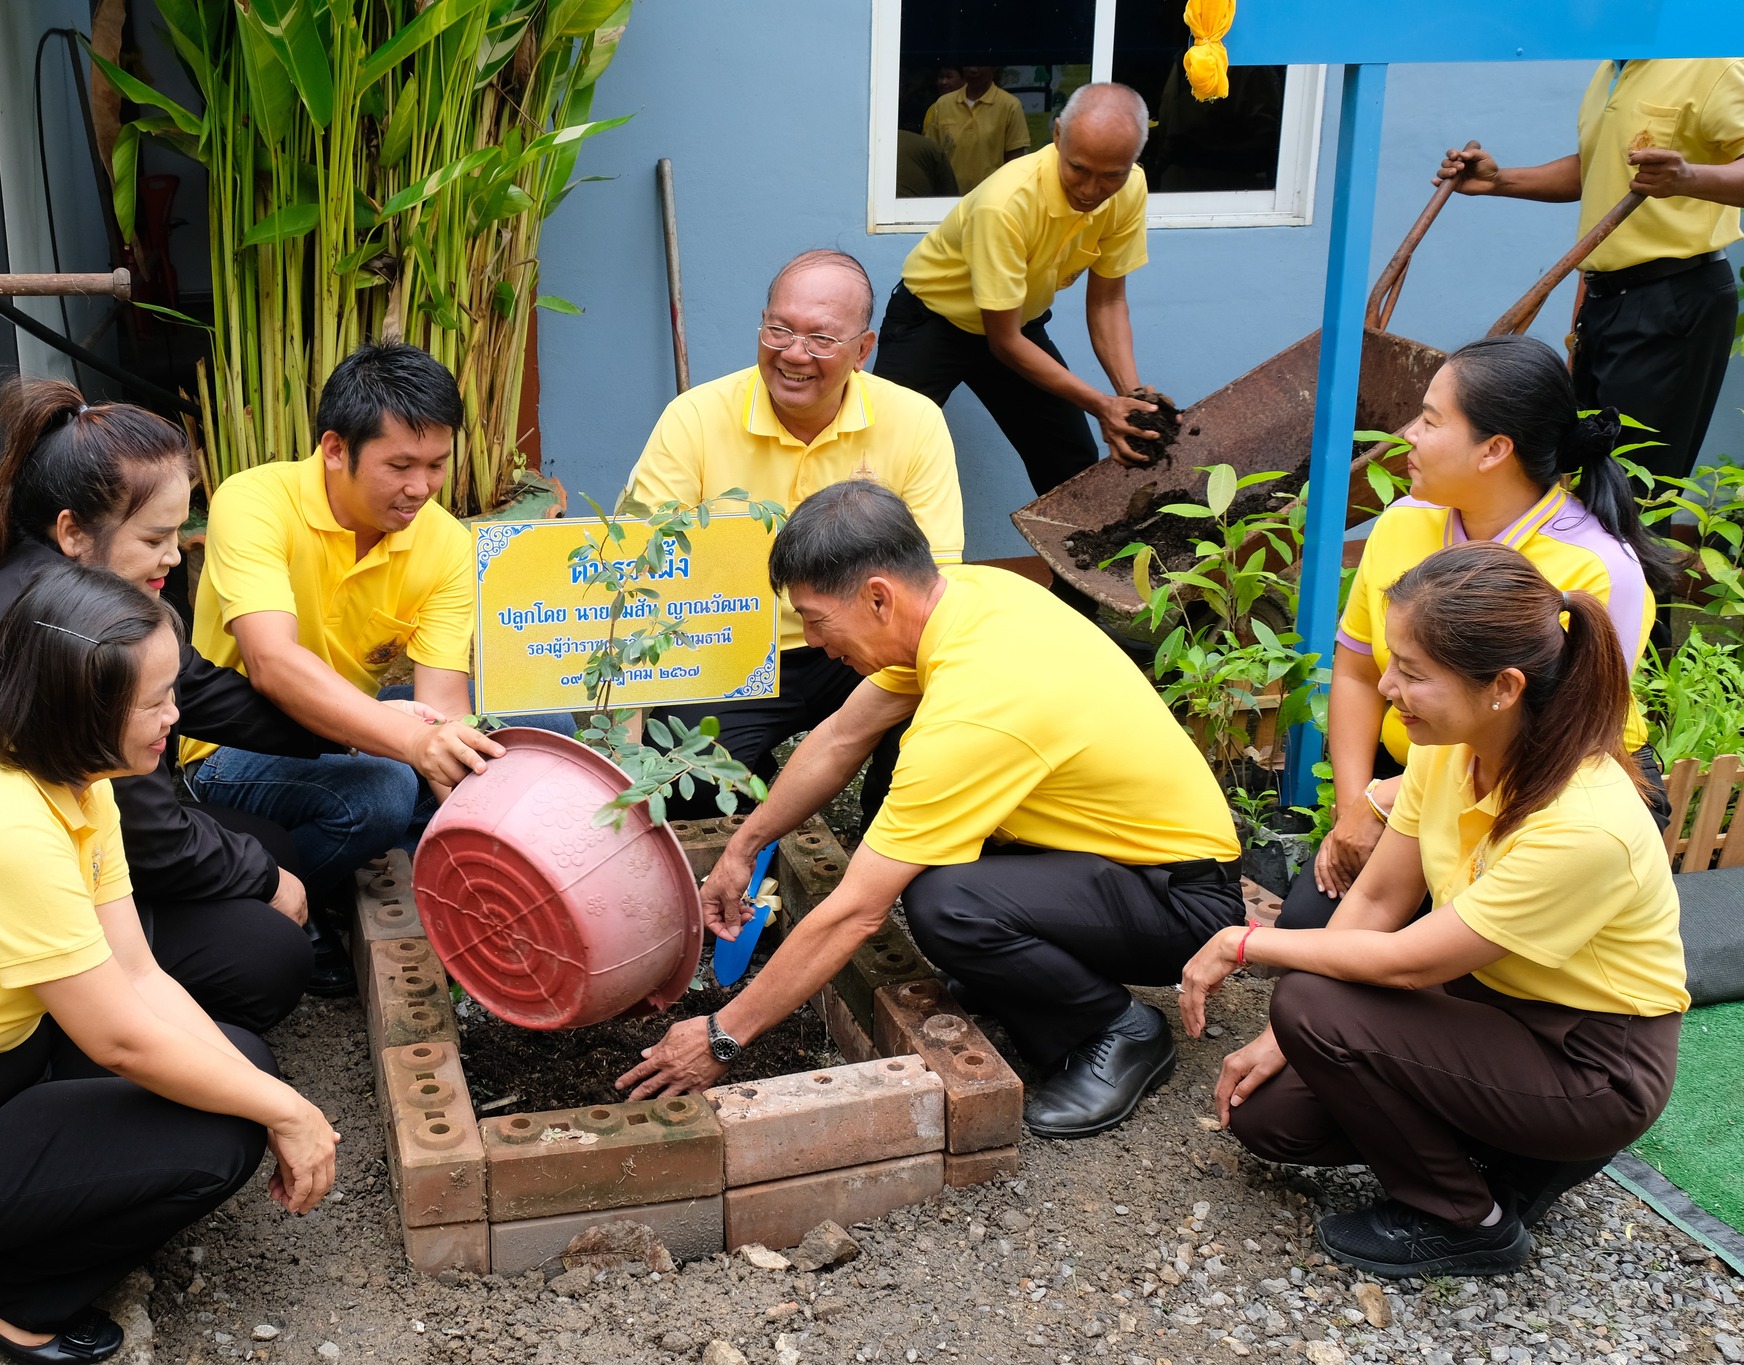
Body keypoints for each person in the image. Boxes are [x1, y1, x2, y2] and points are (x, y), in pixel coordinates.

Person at [0, 564, 341, 1364]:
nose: (175, 715)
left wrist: (274, 1097)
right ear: (80, 705)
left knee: (241, 1065)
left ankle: (39, 1220)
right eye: (154, 700)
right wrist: (289, 1113)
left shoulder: (79, 784)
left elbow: (140, 974)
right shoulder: (4, 826)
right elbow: (121, 1037)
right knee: (220, 1136)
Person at [616, 482, 1242, 1139]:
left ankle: (1117, 1029)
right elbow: (838, 738)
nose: (818, 644)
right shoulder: (966, 602)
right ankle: (1027, 983)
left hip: (1181, 903)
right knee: (943, 877)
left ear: (879, 596)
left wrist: (722, 1034)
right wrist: (744, 848)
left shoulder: (977, 702)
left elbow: (857, 911)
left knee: (948, 902)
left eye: (817, 620)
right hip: (1113, 858)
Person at [1183, 543, 1685, 1278]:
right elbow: (1381, 898)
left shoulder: (1587, 822)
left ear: (1504, 687)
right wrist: (1277, 1038)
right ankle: (1507, 1149)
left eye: (1413, 673)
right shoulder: (1453, 748)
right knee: (1270, 1116)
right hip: (1490, 1006)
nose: (1385, 686)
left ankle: (1467, 1218)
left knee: (1315, 1000)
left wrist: (1244, 941)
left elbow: (1411, 964)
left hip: (1588, 1061)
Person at [0, 380, 347, 1023]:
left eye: (179, 531)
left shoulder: (87, 598)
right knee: (268, 955)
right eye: (153, 538)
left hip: (55, 855)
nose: (174, 555)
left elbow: (198, 691)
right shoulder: (64, 645)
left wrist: (349, 725)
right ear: (74, 533)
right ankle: (84, 1041)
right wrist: (269, 883)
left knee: (269, 844)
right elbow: (152, 836)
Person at [1282, 334, 1679, 932]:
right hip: (1423, 778)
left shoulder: (1600, 568)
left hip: (1552, 784)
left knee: (1451, 967)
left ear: (1494, 449)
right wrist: (1352, 811)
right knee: (1309, 930)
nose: (1409, 433)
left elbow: (1561, 735)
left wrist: (1383, 802)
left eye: (1431, 420)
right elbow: (1358, 671)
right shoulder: (1402, 524)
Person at [184, 342, 572, 895]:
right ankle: (297, 901)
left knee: (534, 732)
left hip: (352, 728)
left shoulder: (444, 543)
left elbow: (442, 710)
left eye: (436, 464)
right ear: (336, 449)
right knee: (382, 789)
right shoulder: (254, 502)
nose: (421, 487)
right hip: (234, 746)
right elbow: (271, 663)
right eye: (399, 466)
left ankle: (439, 871)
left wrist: (481, 835)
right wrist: (413, 746)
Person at [626, 250, 965, 820]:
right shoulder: (695, 417)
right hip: (730, 647)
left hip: (869, 647)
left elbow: (937, 582)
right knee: (685, 785)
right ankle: (750, 774)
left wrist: (871, 715)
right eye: (778, 329)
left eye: (821, 339)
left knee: (934, 755)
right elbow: (638, 569)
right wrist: (630, 735)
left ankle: (884, 829)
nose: (794, 354)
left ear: (864, 349)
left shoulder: (916, 420)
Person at [1437, 58, 1743, 485]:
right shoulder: (1609, 70)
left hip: (1674, 298)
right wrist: (1499, 181)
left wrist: (1688, 177)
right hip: (1607, 299)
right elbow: (1594, 168)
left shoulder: (1714, 65)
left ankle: (1636, 553)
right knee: (1583, 470)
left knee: (1632, 484)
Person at [875, 82, 1166, 497]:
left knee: (1071, 465)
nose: (1090, 191)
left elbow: (1107, 300)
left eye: (1111, 176)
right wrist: (1102, 406)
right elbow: (1004, 341)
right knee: (881, 464)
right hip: (933, 323)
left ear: (1133, 160)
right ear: (1058, 135)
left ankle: (1074, 563)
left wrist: (1131, 402)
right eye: (1079, 169)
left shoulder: (1131, 188)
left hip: (1016, 323)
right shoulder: (1006, 202)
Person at [923, 65, 1030, 193]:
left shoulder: (1010, 105)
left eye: (980, 64)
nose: (973, 70)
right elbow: (931, 157)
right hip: (949, 200)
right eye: (969, 63)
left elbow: (1015, 163)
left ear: (994, 67)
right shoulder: (943, 104)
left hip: (991, 199)